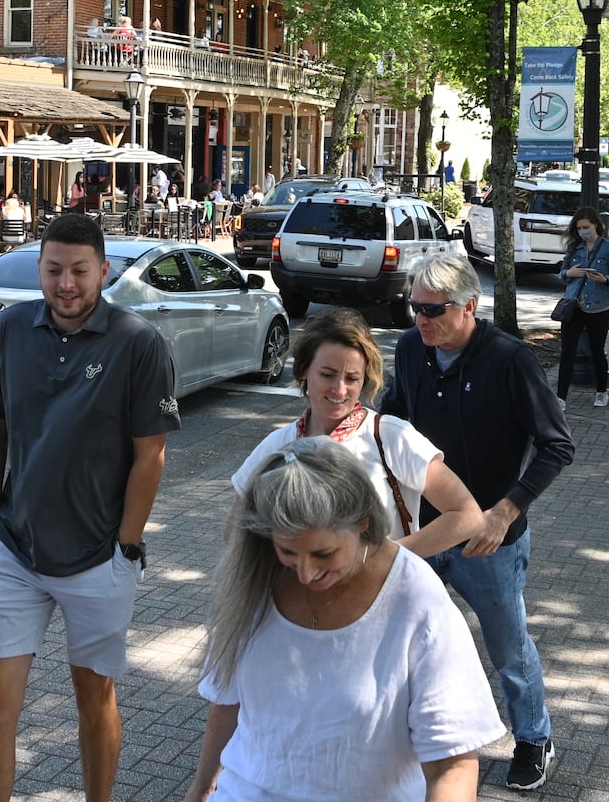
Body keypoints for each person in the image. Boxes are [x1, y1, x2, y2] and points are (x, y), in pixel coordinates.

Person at [0, 213, 180, 802]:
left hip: (98, 556)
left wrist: (127, 544)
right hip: (12, 549)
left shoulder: (137, 342)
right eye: (54, 269)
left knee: (94, 701)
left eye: (79, 271)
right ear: (39, 268)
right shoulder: (11, 329)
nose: (66, 284)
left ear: (103, 271)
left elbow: (151, 454)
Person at [185, 438, 505, 802]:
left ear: (363, 524)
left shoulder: (415, 598)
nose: (305, 574)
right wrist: (200, 790)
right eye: (288, 552)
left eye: (324, 553)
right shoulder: (255, 580)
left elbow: (453, 765)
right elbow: (227, 702)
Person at [380, 252, 574, 793]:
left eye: (434, 310)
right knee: (409, 637)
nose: (422, 320)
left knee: (508, 647)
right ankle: (413, 734)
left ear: (470, 305)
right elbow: (392, 420)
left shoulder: (510, 360)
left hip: (488, 541)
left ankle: (534, 738)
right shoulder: (411, 350)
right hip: (420, 530)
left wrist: (504, 512)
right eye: (414, 308)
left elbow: (557, 446)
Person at [234, 307, 482, 554]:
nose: (340, 390)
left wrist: (385, 560)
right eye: (327, 374)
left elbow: (467, 515)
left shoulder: (391, 437)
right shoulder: (278, 444)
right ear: (303, 371)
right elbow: (237, 525)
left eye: (352, 379)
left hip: (380, 592)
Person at [554, 207, 609, 409]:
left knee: (596, 350)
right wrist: (570, 273)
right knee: (567, 351)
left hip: (599, 308)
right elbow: (561, 273)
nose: (583, 232)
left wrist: (605, 279)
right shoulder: (574, 248)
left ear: (596, 225)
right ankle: (560, 396)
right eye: (579, 228)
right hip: (574, 305)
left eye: (586, 227)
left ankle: (602, 391)